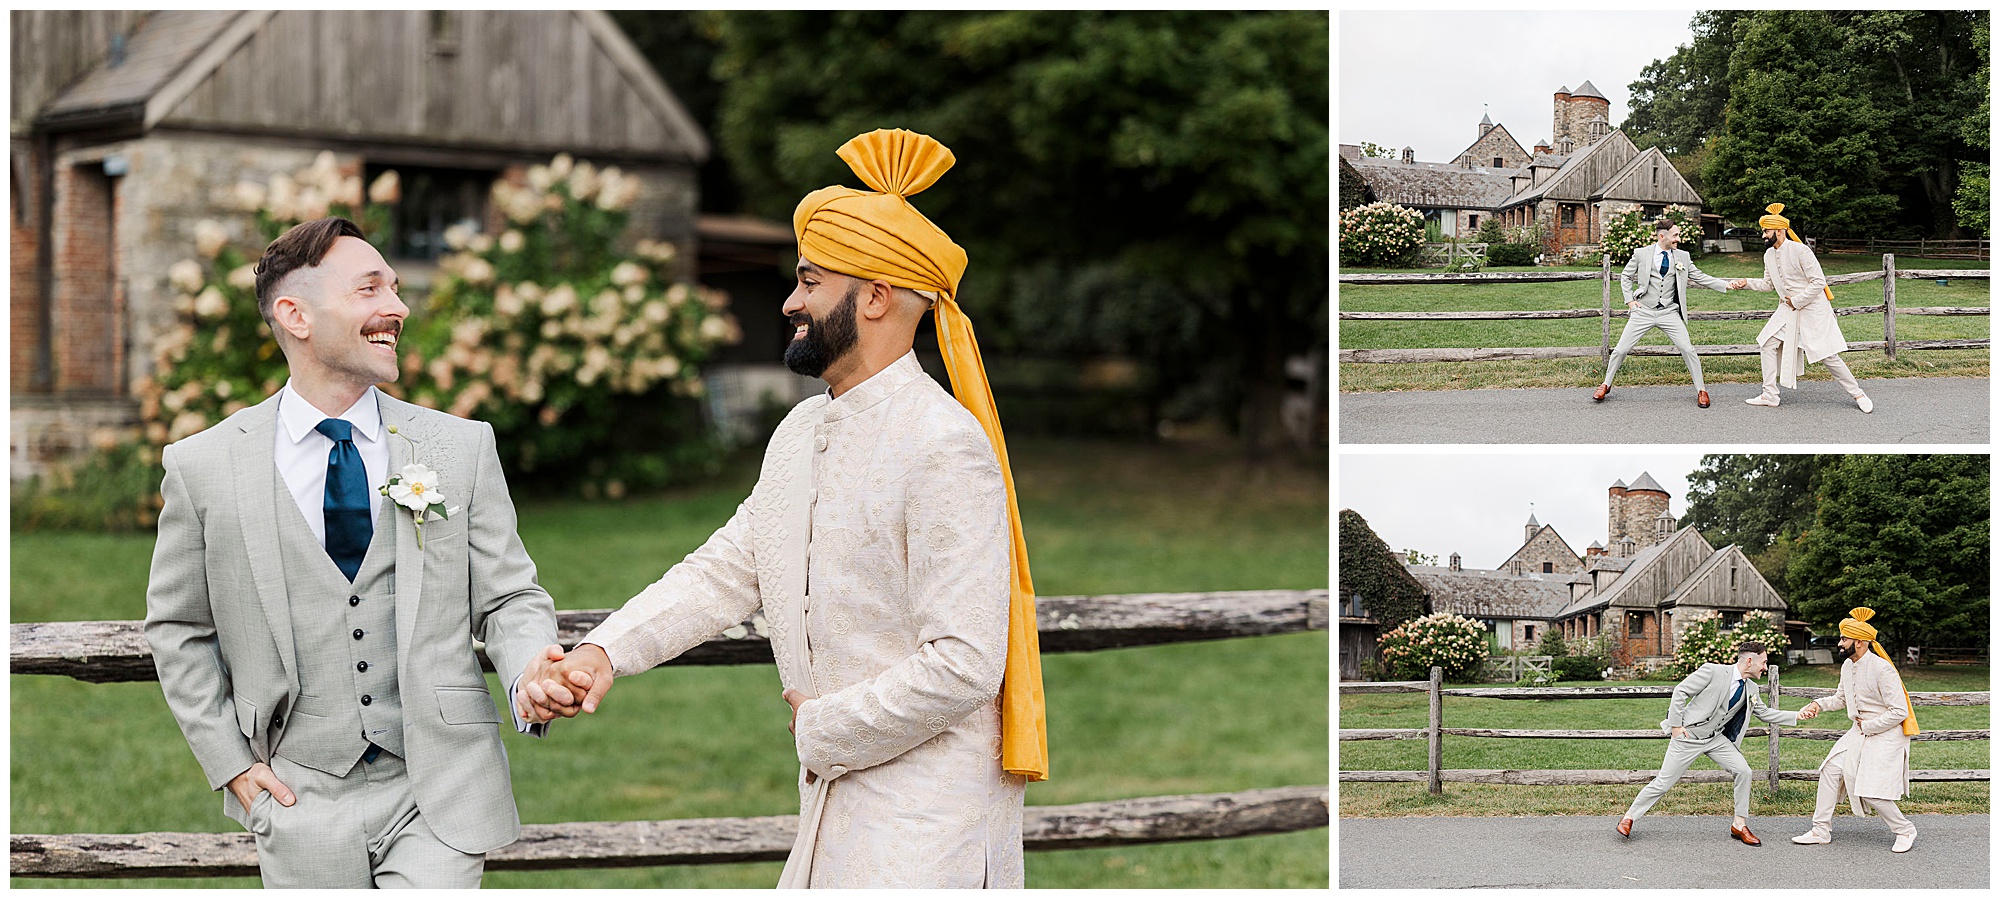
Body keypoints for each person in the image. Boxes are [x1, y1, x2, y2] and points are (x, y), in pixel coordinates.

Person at [518, 128, 1050, 888]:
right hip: (834, 808)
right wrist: (605, 652)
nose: (789, 301)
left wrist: (819, 726)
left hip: (930, 825)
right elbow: (726, 568)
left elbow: (966, 662)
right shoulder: (801, 429)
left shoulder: (944, 444)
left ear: (875, 295)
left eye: (809, 280)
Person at [143, 217, 563, 887]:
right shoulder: (204, 466)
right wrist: (230, 762)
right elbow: (178, 628)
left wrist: (528, 673)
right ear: (295, 314)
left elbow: (510, 595)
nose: (396, 307)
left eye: (394, 288)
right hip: (296, 796)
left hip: (439, 788)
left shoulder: (460, 447)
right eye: (370, 289)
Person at [1618, 641, 1800, 845]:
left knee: (1744, 771)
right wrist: (1676, 726)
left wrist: (1798, 715)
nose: (1765, 667)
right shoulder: (1712, 671)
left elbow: (1765, 713)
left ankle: (1739, 825)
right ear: (1750, 660)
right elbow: (1681, 691)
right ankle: (1629, 817)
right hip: (1689, 737)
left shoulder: (1751, 688)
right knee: (1664, 782)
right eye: (1764, 662)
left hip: (1715, 739)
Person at [1789, 607, 1919, 852]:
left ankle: (1905, 830)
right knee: (1830, 770)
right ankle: (1820, 830)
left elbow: (1899, 712)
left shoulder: (1883, 669)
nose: (1839, 643)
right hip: (1859, 732)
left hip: (1887, 734)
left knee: (1871, 790)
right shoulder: (1848, 666)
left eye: (1843, 639)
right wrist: (1818, 704)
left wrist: (1869, 726)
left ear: (1859, 642)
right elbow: (1841, 698)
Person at [1727, 203, 1873, 412]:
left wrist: (1796, 301)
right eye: (1763, 232)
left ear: (1779, 230)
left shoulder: (1801, 251)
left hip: (1813, 310)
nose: (1763, 236)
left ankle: (1858, 394)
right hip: (1788, 311)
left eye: (1766, 232)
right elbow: (1769, 284)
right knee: (1767, 343)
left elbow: (1818, 281)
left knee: (1828, 356)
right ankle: (1770, 394)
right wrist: (1746, 282)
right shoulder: (1768, 255)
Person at [1595, 220, 1735, 407]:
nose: (1679, 238)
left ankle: (1701, 390)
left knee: (1688, 349)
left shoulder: (1683, 257)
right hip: (1643, 311)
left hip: (1669, 312)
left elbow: (1700, 276)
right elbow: (1626, 277)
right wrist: (1630, 301)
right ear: (1662, 236)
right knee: (1620, 349)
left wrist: (1726, 284)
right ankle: (1606, 384)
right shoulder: (1641, 254)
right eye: (1675, 235)